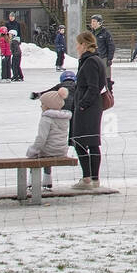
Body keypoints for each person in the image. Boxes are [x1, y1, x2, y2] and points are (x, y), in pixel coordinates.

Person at [70, 31, 106, 190]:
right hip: (90, 106)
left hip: (88, 108)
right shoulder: (91, 60)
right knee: (86, 142)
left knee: (85, 142)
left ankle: (90, 178)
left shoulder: (91, 62)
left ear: (84, 45)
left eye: (78, 44)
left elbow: (94, 87)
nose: (76, 47)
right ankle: (91, 178)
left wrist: (83, 104)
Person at [28, 71, 75, 189]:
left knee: (38, 153)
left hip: (49, 149)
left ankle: (32, 181)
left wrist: (36, 95)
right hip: (62, 148)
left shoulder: (47, 118)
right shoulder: (77, 86)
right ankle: (47, 180)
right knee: (56, 136)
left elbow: (41, 138)